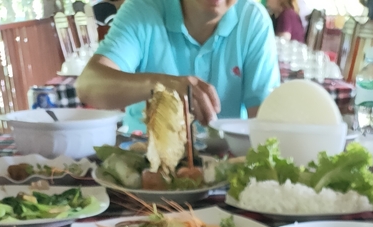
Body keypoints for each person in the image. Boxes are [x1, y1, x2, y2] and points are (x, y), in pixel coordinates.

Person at [76, 0, 280, 130]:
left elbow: (266, 119)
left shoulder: (253, 19)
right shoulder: (142, 8)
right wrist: (163, 86)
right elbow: (88, 86)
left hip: (226, 165)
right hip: (144, 160)